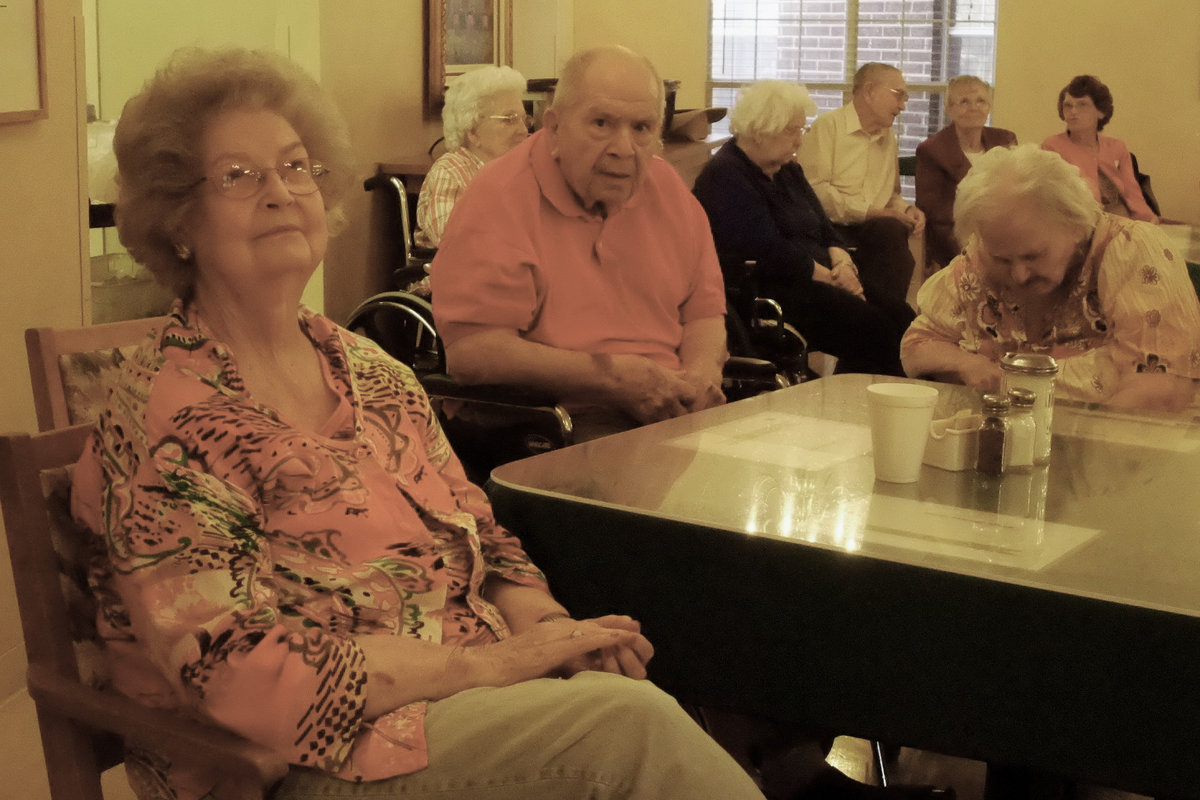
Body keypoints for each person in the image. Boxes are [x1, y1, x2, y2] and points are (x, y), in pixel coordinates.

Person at [70, 47, 767, 800]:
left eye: (297, 167)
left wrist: (549, 632)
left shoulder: (369, 371)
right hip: (314, 756)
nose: (280, 193)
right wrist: (492, 667)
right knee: (629, 730)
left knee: (629, 695)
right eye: (239, 176)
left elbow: (478, 533)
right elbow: (237, 670)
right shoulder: (169, 417)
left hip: (460, 707)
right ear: (178, 221)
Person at [430, 45, 728, 442]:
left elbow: (704, 313)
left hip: (674, 411)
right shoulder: (498, 198)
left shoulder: (669, 190)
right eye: (602, 123)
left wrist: (702, 376)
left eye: (641, 128)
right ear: (554, 128)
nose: (624, 148)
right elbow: (474, 354)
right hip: (558, 421)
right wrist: (614, 380)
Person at [902, 144, 1200, 412]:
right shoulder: (982, 259)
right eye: (1003, 259)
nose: (1018, 275)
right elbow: (918, 344)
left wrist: (1069, 451)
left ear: (1075, 224)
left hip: (1119, 457)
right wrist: (964, 363)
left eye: (1033, 256)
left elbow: (1160, 393)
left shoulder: (1131, 250)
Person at [693, 79, 914, 376]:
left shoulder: (788, 169)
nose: (799, 141)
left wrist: (844, 264)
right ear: (761, 130)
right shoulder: (725, 176)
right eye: (791, 130)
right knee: (876, 330)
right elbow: (768, 250)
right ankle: (861, 408)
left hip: (821, 276)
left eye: (801, 129)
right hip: (774, 289)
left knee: (904, 318)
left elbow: (823, 225)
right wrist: (832, 279)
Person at [797, 62, 925, 306]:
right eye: (898, 95)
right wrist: (873, 212)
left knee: (892, 234)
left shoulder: (888, 136)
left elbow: (890, 195)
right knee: (888, 235)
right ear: (869, 92)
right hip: (831, 226)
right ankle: (875, 315)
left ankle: (882, 315)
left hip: (874, 228)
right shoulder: (828, 127)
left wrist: (906, 209)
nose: (903, 106)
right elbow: (815, 193)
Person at [413, 64, 530, 249]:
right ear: (473, 130)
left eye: (524, 119)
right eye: (510, 119)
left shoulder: (520, 172)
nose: (523, 130)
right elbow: (454, 242)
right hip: (458, 276)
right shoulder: (450, 173)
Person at [915, 76, 1017, 269]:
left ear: (989, 106)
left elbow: (1015, 195)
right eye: (964, 102)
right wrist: (976, 253)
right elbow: (937, 218)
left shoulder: (1005, 140)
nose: (974, 107)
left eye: (981, 101)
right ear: (950, 109)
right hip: (955, 244)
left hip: (1004, 237)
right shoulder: (932, 150)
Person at [1041, 74, 1158, 223]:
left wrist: (1149, 221)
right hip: (1079, 224)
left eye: (1082, 104)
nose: (1073, 111)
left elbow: (1132, 194)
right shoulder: (1053, 146)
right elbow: (1056, 201)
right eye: (1068, 105)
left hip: (1122, 222)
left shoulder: (1117, 147)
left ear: (1100, 112)